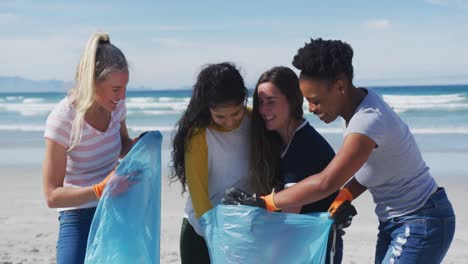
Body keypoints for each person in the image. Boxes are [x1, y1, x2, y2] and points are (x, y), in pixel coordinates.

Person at [225, 38, 455, 263]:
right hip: (396, 220)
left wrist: (266, 202)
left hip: (421, 219)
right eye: (307, 100)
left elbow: (326, 182)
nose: (311, 109)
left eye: (315, 100)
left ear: (340, 87)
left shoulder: (366, 123)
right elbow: (378, 168)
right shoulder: (363, 104)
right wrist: (346, 195)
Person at [42, 31, 134, 264]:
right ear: (92, 83)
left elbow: (123, 146)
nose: (122, 96)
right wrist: (98, 190)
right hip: (76, 210)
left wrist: (141, 146)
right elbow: (52, 196)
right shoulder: (62, 119)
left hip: (115, 205)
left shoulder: (116, 107)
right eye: (116, 89)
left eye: (124, 87)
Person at [249, 66, 344, 263]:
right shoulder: (283, 141)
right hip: (303, 244)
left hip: (316, 249)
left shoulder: (303, 146)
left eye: (271, 102)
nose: (264, 110)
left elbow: (290, 217)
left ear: (292, 101)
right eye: (260, 102)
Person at [170, 62, 251, 264]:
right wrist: (217, 236)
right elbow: (198, 193)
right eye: (220, 116)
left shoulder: (255, 122)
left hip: (243, 229)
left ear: (244, 101)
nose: (230, 121)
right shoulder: (199, 133)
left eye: (235, 113)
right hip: (201, 232)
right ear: (208, 109)